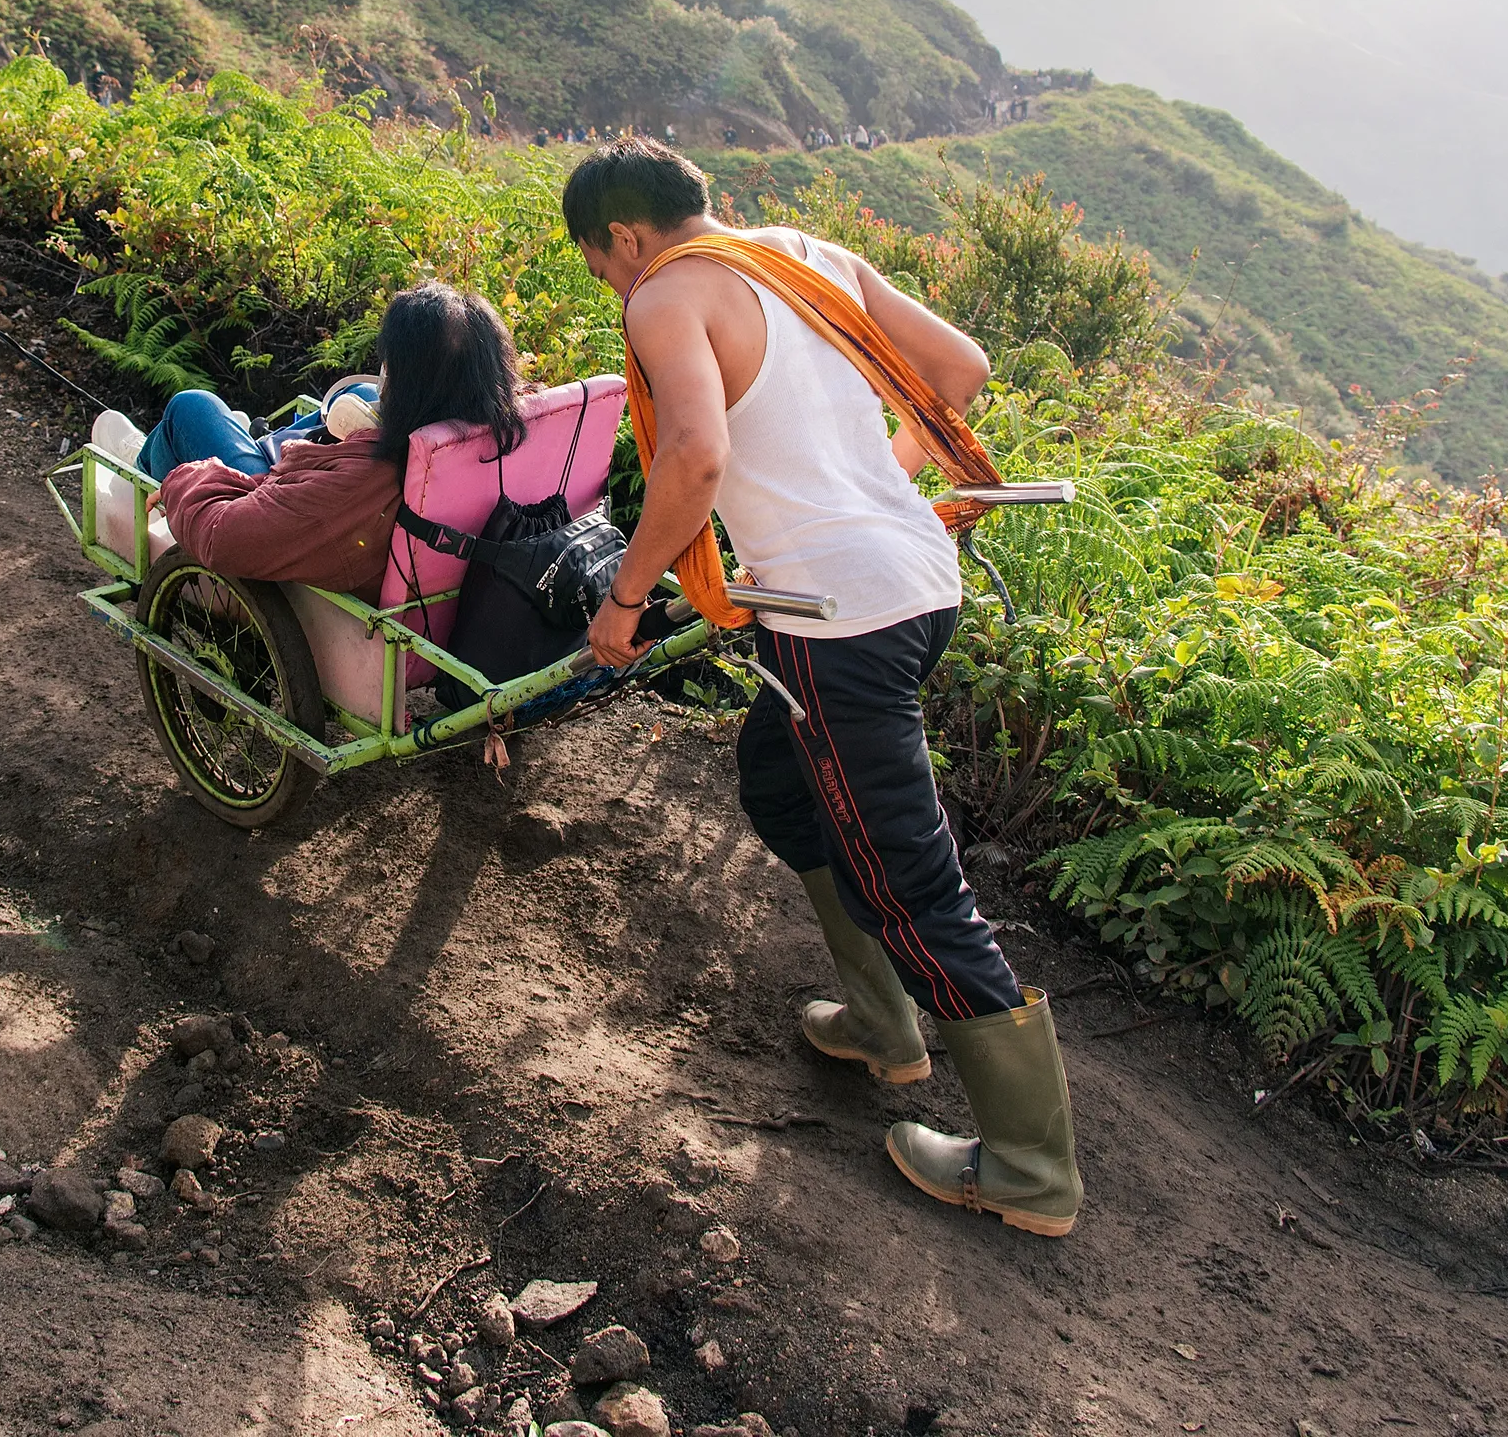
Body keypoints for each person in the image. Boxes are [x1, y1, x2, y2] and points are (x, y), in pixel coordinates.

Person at [566, 138, 1082, 1239]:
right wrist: (867, 488)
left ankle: (1031, 1168)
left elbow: (695, 460)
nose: (617, 287)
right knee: (780, 780)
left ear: (622, 235)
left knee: (911, 877)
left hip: (841, 625)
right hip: (917, 588)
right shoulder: (805, 255)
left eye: (604, 269)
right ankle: (881, 1025)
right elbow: (960, 373)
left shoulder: (668, 298)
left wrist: (625, 598)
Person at [117, 282, 523, 601]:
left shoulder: (360, 485)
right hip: (344, 515)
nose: (385, 375)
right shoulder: (492, 442)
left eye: (391, 366)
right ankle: (246, 441)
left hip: (291, 511)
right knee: (359, 398)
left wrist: (186, 476)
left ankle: (144, 465)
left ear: (411, 386)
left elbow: (221, 534)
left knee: (191, 407)